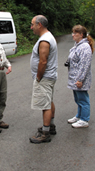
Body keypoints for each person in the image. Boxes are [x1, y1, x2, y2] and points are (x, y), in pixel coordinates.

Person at [29, 15, 58, 144]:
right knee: (49, 101)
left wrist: (38, 77)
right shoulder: (48, 37)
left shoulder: (44, 40)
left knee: (45, 105)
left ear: (39, 25)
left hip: (45, 78)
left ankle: (45, 133)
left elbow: (43, 61)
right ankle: (50, 126)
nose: (31, 27)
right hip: (49, 77)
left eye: (32, 24)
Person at [67, 25, 95, 128]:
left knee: (83, 99)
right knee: (78, 99)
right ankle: (79, 116)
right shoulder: (78, 45)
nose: (73, 35)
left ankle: (84, 120)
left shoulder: (85, 47)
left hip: (80, 79)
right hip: (75, 77)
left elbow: (85, 65)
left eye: (75, 33)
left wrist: (80, 79)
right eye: (72, 33)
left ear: (81, 35)